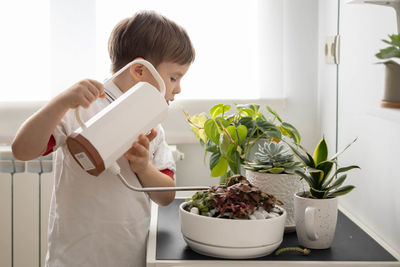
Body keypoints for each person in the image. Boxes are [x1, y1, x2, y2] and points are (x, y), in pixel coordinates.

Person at [12, 10, 195, 267]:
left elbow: (165, 197)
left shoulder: (153, 125)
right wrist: (62, 102)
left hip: (131, 255)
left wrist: (144, 167)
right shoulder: (80, 107)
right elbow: (22, 150)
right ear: (140, 70)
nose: (177, 88)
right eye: (173, 77)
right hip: (73, 257)